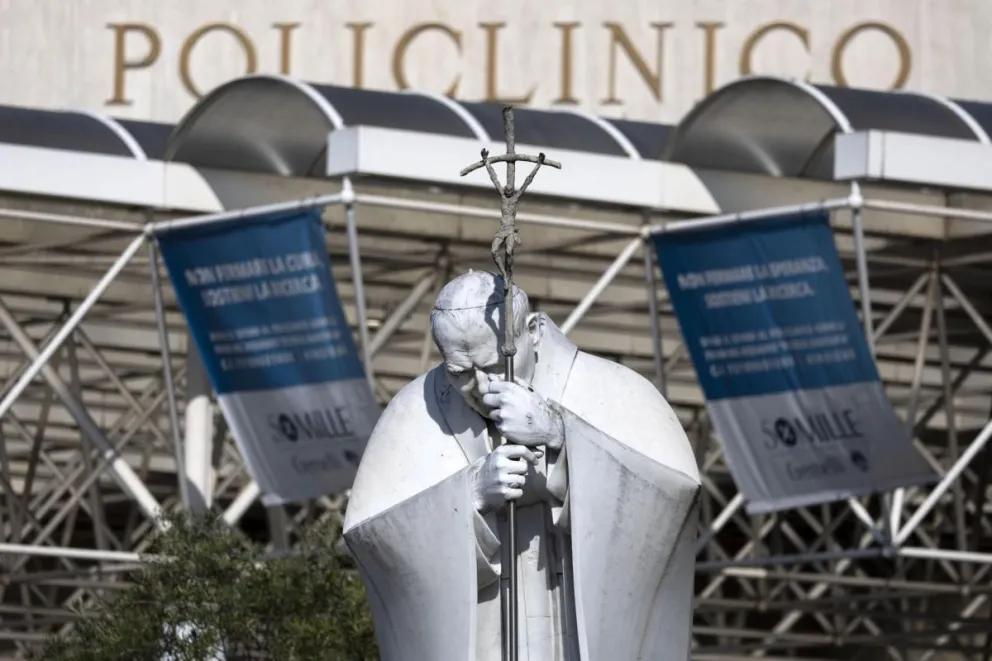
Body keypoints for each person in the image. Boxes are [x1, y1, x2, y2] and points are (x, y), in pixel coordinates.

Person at [343, 271, 700, 661]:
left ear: (531, 331)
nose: (479, 387)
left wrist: (562, 442)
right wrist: (468, 496)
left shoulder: (614, 390)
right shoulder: (414, 412)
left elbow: (671, 495)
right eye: (460, 373)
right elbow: (372, 534)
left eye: (495, 366)